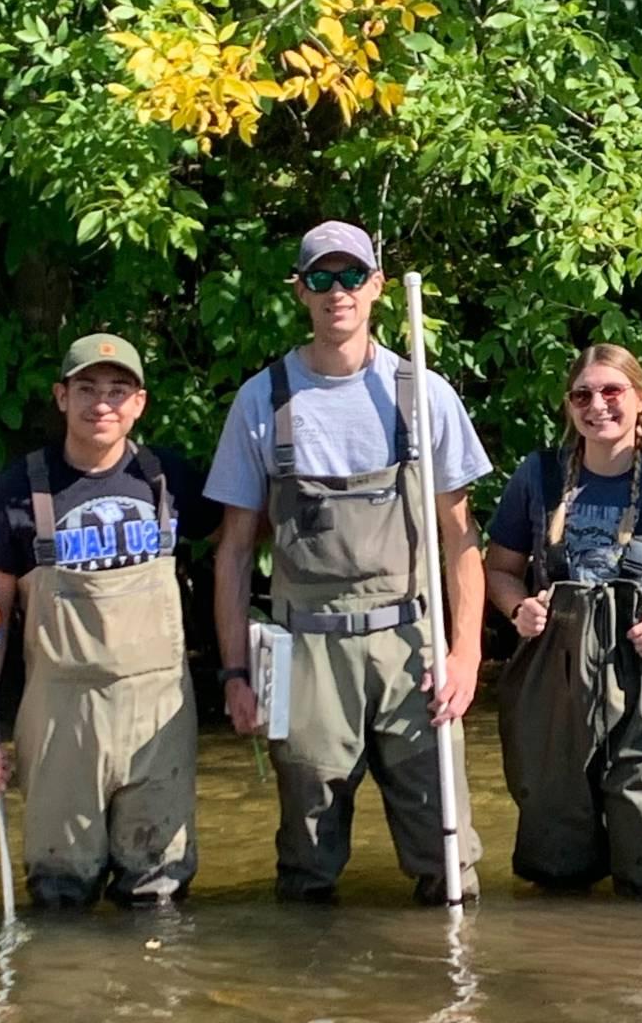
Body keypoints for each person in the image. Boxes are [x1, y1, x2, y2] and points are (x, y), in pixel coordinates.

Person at [208, 220, 488, 902]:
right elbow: (235, 553)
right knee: (306, 856)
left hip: (410, 644)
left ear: (377, 288)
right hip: (306, 650)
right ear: (301, 290)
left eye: (352, 277)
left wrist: (467, 654)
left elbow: (461, 540)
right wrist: (237, 673)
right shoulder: (261, 400)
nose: (339, 293)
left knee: (446, 853)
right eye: (323, 279)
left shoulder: (423, 392)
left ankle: (452, 997)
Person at [0, 333, 215, 907]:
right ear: (62, 397)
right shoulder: (18, 488)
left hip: (159, 706)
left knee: (158, 889)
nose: (102, 403)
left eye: (118, 390)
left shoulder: (170, 477)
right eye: (86, 388)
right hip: (62, 713)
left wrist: (243, 669)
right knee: (61, 892)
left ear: (139, 403)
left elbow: (242, 536)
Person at [484, 343, 642, 898]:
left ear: (640, 400)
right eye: (582, 394)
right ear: (569, 406)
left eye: (612, 391)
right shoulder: (536, 476)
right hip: (551, 680)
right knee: (556, 864)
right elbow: (499, 570)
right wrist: (520, 609)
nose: (598, 405)